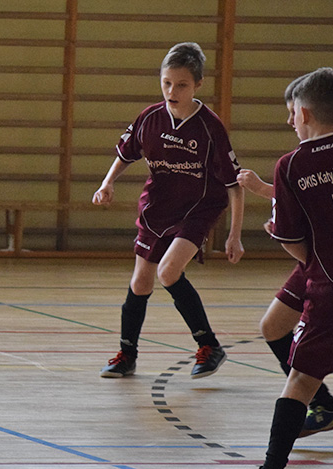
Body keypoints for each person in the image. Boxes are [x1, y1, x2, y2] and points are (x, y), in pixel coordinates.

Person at [236, 68, 333, 469]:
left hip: (332, 280)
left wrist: (296, 242)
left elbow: (296, 244)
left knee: (300, 378)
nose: (288, 122)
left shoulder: (293, 164)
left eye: (290, 114)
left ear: (305, 112)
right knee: (275, 326)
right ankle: (323, 408)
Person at [93, 42, 244, 379]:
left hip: (199, 208)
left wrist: (234, 235)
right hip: (158, 207)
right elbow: (126, 153)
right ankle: (127, 355)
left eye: (181, 85)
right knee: (141, 282)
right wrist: (107, 183)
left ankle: (209, 346)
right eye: (166, 83)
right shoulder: (150, 117)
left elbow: (234, 185)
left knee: (169, 271)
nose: (172, 91)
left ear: (198, 85)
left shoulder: (209, 128)